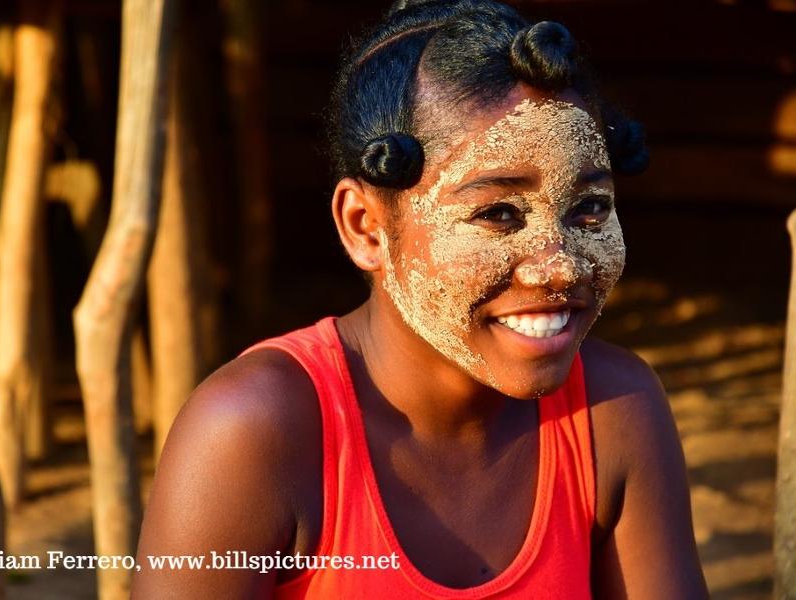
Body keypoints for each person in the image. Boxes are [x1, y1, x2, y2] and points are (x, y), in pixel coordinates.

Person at [132, 1, 709, 597]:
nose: (558, 265)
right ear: (366, 227)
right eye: (498, 214)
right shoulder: (255, 433)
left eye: (588, 209)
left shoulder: (614, 414)